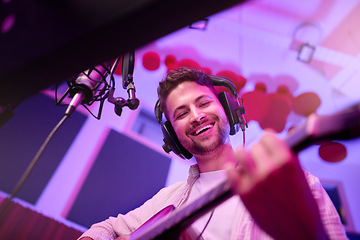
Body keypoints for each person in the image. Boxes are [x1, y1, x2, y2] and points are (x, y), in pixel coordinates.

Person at [78, 67, 347, 240]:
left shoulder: (295, 184)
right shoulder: (169, 199)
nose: (196, 116)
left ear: (228, 111)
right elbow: (109, 227)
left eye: (204, 103)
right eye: (181, 114)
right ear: (173, 136)